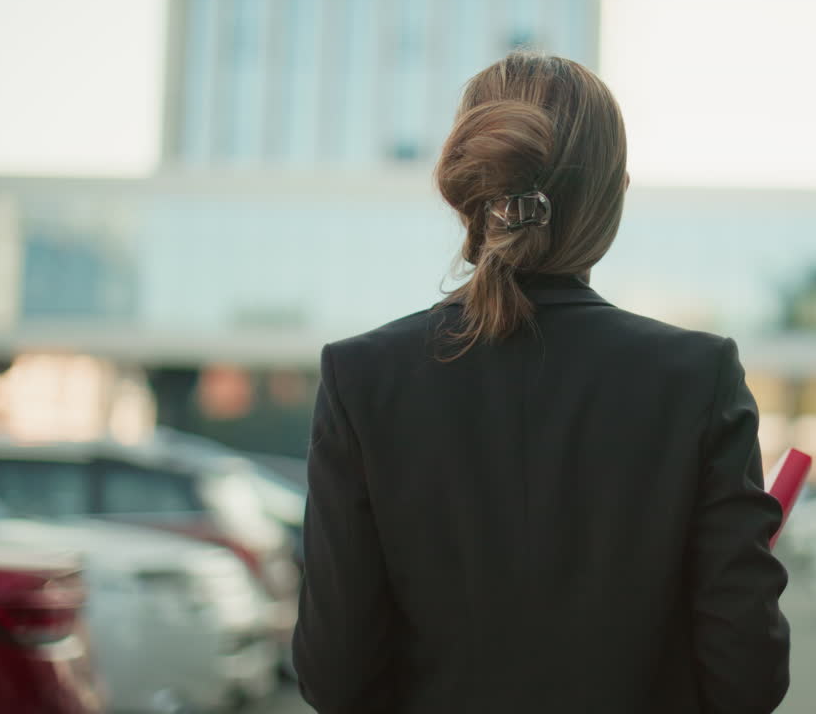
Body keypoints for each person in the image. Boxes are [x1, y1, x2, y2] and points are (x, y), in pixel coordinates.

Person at [293, 51, 790, 714]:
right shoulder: (699, 378)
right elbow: (748, 678)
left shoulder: (361, 377)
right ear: (613, 195)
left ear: (474, 187)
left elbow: (335, 676)